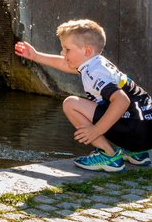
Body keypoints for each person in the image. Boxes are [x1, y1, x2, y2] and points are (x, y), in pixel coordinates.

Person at [15, 19, 152, 172]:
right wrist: (35, 56)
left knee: (71, 104)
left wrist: (96, 130)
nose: (63, 53)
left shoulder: (95, 72)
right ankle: (137, 153)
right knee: (106, 107)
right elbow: (64, 64)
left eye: (67, 49)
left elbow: (122, 100)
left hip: (134, 130)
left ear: (87, 51)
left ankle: (109, 155)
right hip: (145, 132)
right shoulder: (96, 63)